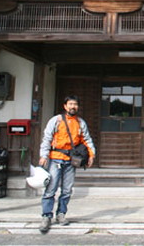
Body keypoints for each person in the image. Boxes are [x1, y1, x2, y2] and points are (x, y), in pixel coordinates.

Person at [38, 95, 96, 234]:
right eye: (70, 104)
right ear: (65, 106)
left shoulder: (80, 122)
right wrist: (43, 155)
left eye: (75, 104)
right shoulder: (56, 120)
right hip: (55, 158)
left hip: (71, 160)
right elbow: (47, 138)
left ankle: (61, 214)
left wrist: (92, 154)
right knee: (50, 189)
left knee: (67, 190)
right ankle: (46, 216)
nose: (73, 107)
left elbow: (87, 139)